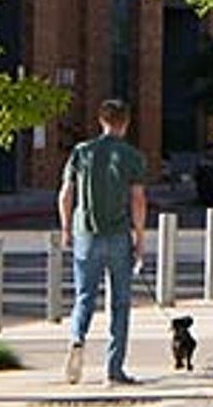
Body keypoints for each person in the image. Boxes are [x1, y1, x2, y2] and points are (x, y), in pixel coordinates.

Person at [63, 95, 149, 386]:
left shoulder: (81, 152)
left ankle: (77, 338)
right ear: (126, 122)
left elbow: (65, 194)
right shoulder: (132, 157)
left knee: (84, 297)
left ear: (101, 120)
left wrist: (66, 229)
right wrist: (139, 237)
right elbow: (137, 199)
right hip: (117, 235)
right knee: (120, 303)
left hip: (85, 233)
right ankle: (114, 370)